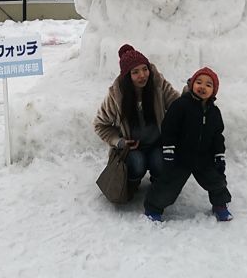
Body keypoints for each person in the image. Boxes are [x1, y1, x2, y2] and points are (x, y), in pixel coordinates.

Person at [144, 66, 232, 223]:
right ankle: (153, 207)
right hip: (181, 156)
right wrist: (169, 149)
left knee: (216, 180)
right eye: (199, 82)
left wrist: (219, 155)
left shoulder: (214, 113)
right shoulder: (181, 105)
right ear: (192, 85)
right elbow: (169, 128)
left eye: (208, 85)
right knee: (168, 184)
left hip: (203, 157)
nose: (202, 87)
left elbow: (217, 136)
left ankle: (220, 205)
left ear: (214, 91)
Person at [94, 44, 180, 198]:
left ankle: (159, 184)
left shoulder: (158, 84)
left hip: (156, 144)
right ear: (127, 76)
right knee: (138, 163)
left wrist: (191, 94)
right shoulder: (116, 95)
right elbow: (100, 124)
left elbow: (177, 104)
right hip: (132, 149)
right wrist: (119, 142)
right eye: (135, 72)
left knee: (160, 162)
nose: (142, 75)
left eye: (145, 69)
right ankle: (130, 185)